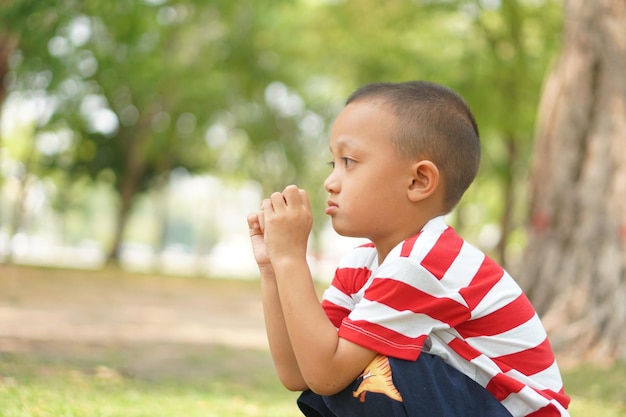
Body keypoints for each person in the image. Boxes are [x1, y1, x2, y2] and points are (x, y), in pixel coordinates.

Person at [247, 81, 570, 417]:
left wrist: (290, 258)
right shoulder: (361, 264)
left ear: (418, 181)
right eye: (333, 164)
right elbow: (301, 373)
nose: (330, 181)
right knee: (354, 364)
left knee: (373, 371)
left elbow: (326, 374)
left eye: (349, 161)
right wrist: (272, 267)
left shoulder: (426, 263)